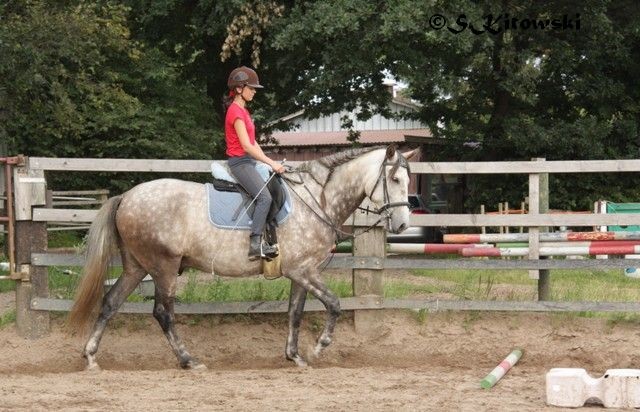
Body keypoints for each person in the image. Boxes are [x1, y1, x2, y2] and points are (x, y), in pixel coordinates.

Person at [223, 66, 285, 260]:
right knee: (264, 198)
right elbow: (246, 147)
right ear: (240, 88)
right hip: (240, 163)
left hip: (249, 161)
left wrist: (269, 162)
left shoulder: (244, 111)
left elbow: (254, 142)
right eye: (251, 87)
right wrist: (271, 163)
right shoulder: (235, 112)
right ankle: (255, 244)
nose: (255, 91)